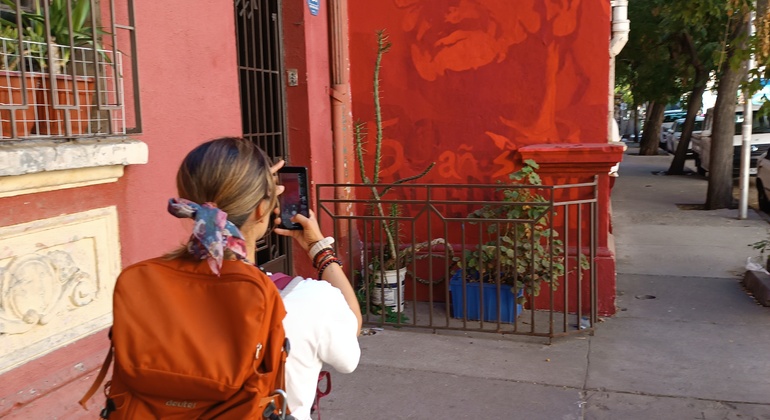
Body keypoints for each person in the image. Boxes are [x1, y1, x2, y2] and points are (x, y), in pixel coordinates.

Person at [173, 137, 362, 420]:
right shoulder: (308, 301)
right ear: (263, 209)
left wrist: (257, 191)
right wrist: (319, 249)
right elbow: (351, 337)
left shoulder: (156, 288)